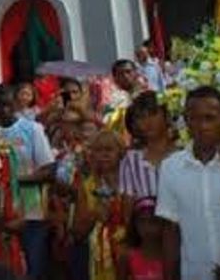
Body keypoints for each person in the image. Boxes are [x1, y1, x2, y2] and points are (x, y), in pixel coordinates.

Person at [155, 86, 220, 280]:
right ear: (185, 122)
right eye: (194, 119)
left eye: (210, 118)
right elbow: (171, 230)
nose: (202, 126)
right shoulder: (170, 167)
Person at [0, 84, 56, 280]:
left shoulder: (32, 129)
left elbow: (48, 169)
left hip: (29, 209)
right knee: (0, 268)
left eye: (8, 105)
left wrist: (14, 180)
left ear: (16, 104)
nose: (4, 110)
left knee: (32, 266)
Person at [72, 129, 127, 280]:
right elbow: (77, 233)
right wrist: (95, 213)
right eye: (98, 150)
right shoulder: (87, 186)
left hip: (126, 256)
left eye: (109, 149)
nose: (104, 155)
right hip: (97, 259)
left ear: (120, 153)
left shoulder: (131, 183)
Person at [119, 93, 177, 208]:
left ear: (167, 116)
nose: (147, 121)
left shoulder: (186, 155)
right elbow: (128, 211)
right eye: (140, 117)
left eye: (153, 113)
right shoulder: (131, 161)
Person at [118, 197, 166, 280]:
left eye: (152, 222)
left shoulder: (170, 255)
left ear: (161, 223)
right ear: (135, 224)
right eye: (142, 221)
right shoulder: (127, 255)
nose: (147, 228)